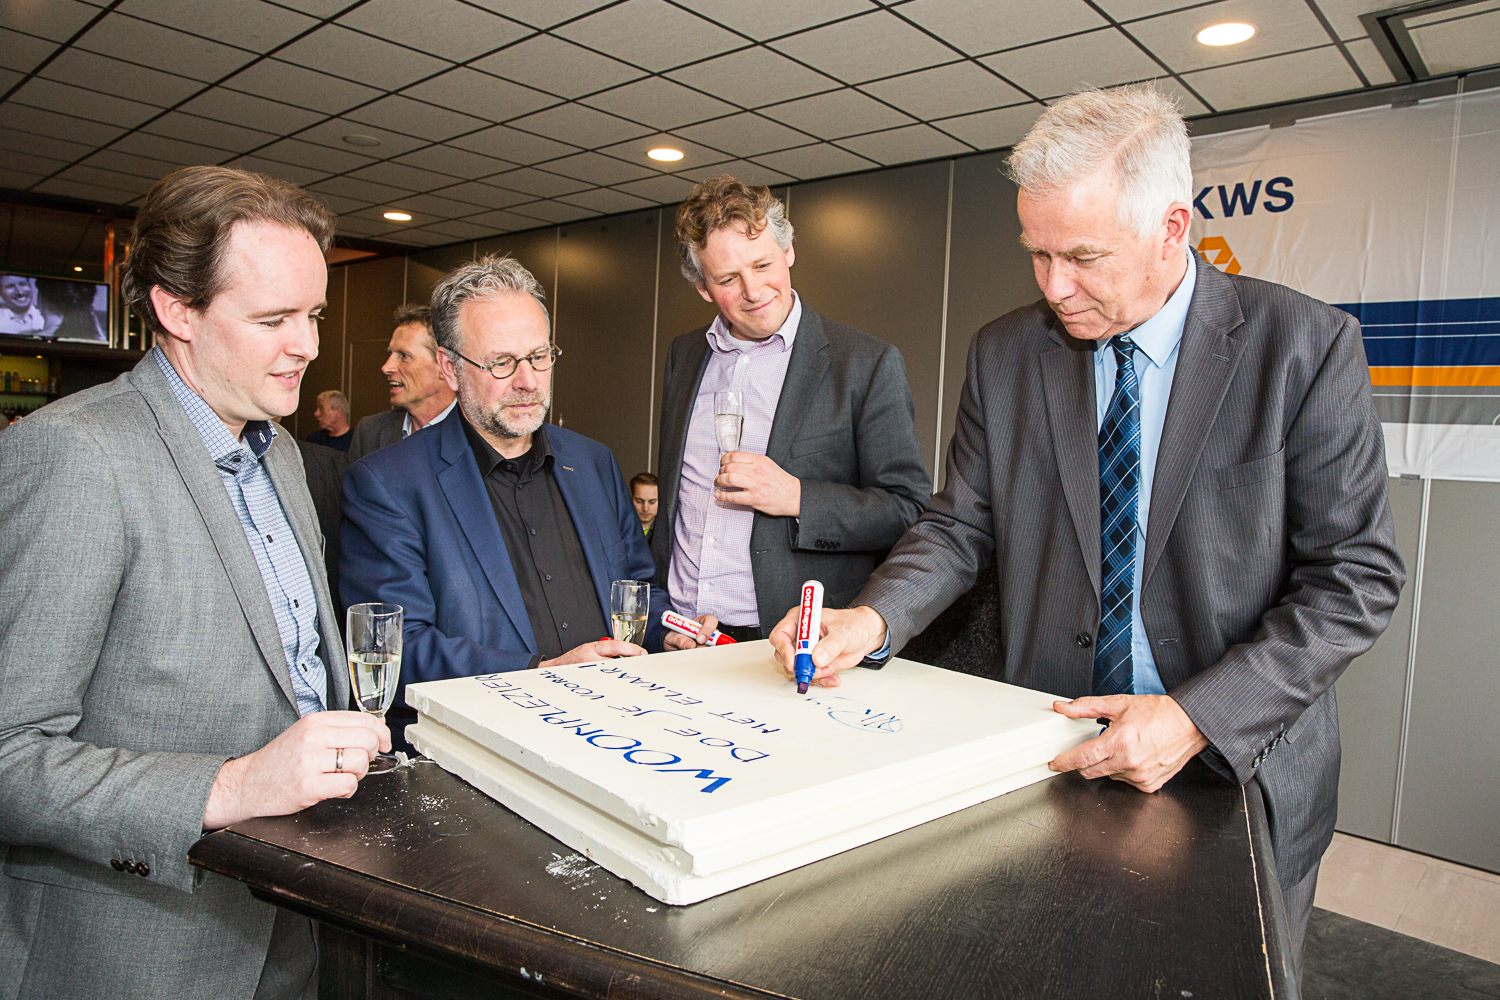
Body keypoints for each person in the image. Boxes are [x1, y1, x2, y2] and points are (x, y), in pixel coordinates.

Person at [768, 86, 1404, 980]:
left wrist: (1194, 716)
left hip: (1238, 759)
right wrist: (870, 622)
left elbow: (1356, 578)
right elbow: (960, 523)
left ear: (1173, 226)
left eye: (1083, 256)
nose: (1054, 287)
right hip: (1053, 740)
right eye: (1037, 254)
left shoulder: (1302, 347)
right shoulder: (1006, 353)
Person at [0, 165, 389, 999]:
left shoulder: (280, 450)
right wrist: (234, 785)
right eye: (274, 319)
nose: (311, 346)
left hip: (285, 926)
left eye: (314, 314)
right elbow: (8, 756)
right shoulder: (77, 455)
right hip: (134, 952)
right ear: (177, 310)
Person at [341, 255, 664, 746]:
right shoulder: (388, 484)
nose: (528, 381)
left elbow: (635, 588)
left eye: (539, 357)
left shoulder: (593, 462)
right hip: (480, 755)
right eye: (501, 363)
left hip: (615, 734)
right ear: (450, 367)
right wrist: (540, 672)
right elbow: (398, 647)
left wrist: (673, 628)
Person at [654, 175, 931, 648]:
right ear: (703, 288)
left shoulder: (864, 363)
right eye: (727, 279)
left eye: (763, 264)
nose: (753, 290)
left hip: (788, 643)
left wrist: (799, 497)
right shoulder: (684, 356)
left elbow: (907, 509)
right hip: (681, 639)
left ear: (789, 253)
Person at [347, 303, 457, 460]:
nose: (386, 367)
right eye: (391, 354)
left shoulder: (482, 435)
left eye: (404, 356)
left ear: (445, 366)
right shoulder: (370, 432)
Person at [630, 471, 658, 538]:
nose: (645, 509)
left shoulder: (669, 532)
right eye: (639, 501)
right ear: (631, 497)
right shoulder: (618, 528)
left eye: (652, 502)